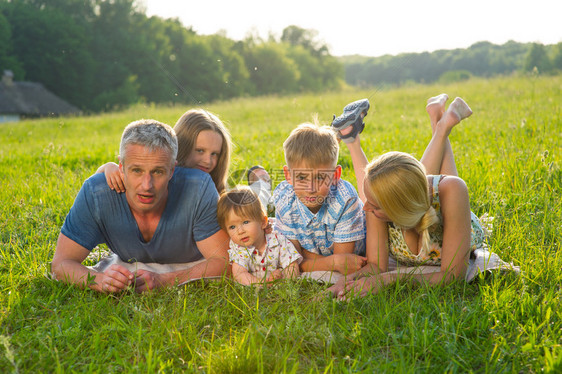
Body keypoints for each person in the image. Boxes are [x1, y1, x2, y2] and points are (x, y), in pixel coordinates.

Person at [327, 94, 517, 299]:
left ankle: (442, 125)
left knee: (447, 184)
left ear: (400, 208)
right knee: (412, 182)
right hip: (415, 196)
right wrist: (343, 283)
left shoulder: (451, 190)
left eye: (375, 206)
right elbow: (376, 266)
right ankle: (441, 123)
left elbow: (453, 276)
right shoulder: (374, 207)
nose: (364, 208)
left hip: (442, 203)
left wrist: (389, 279)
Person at [51, 119, 230, 293]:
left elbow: (225, 261)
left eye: (158, 172)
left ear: (172, 170)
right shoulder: (96, 193)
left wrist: (164, 280)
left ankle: (258, 176)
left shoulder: (199, 188)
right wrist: (100, 280)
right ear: (121, 167)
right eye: (137, 170)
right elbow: (60, 264)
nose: (147, 185)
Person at [272, 120, 367, 277]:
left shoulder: (345, 200)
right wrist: (332, 262)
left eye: (319, 178)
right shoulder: (284, 200)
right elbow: (292, 261)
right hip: (322, 250)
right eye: (301, 177)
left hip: (361, 229)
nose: (310, 189)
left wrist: (304, 255)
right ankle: (260, 185)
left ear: (335, 175)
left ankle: (352, 139)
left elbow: (344, 264)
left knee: (373, 197)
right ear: (288, 175)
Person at [98, 108, 231, 194]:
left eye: (214, 154)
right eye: (200, 151)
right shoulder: (154, 178)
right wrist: (107, 168)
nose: (208, 161)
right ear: (182, 146)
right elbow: (96, 190)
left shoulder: (216, 190)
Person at [217, 186, 302, 285]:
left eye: (245, 222)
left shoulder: (278, 239)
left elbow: (291, 265)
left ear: (262, 222)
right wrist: (261, 283)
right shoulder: (238, 248)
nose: (240, 231)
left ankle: (263, 184)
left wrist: (285, 282)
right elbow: (240, 274)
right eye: (232, 227)